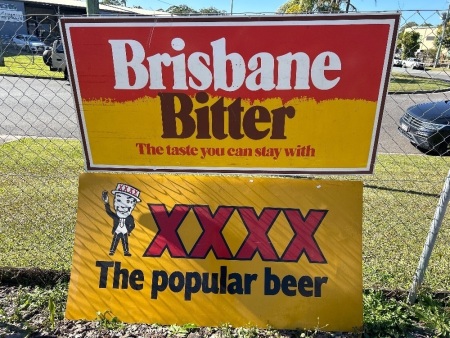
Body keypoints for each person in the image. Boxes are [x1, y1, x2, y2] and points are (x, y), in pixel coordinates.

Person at [102, 183, 141, 257]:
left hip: (125, 231)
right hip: (117, 230)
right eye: (119, 200)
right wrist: (106, 202)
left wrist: (128, 230)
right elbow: (108, 211)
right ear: (115, 200)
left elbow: (132, 225)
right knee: (114, 241)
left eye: (128, 202)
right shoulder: (116, 216)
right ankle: (112, 251)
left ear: (133, 206)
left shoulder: (130, 218)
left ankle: (126, 251)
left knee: (125, 242)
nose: (122, 206)